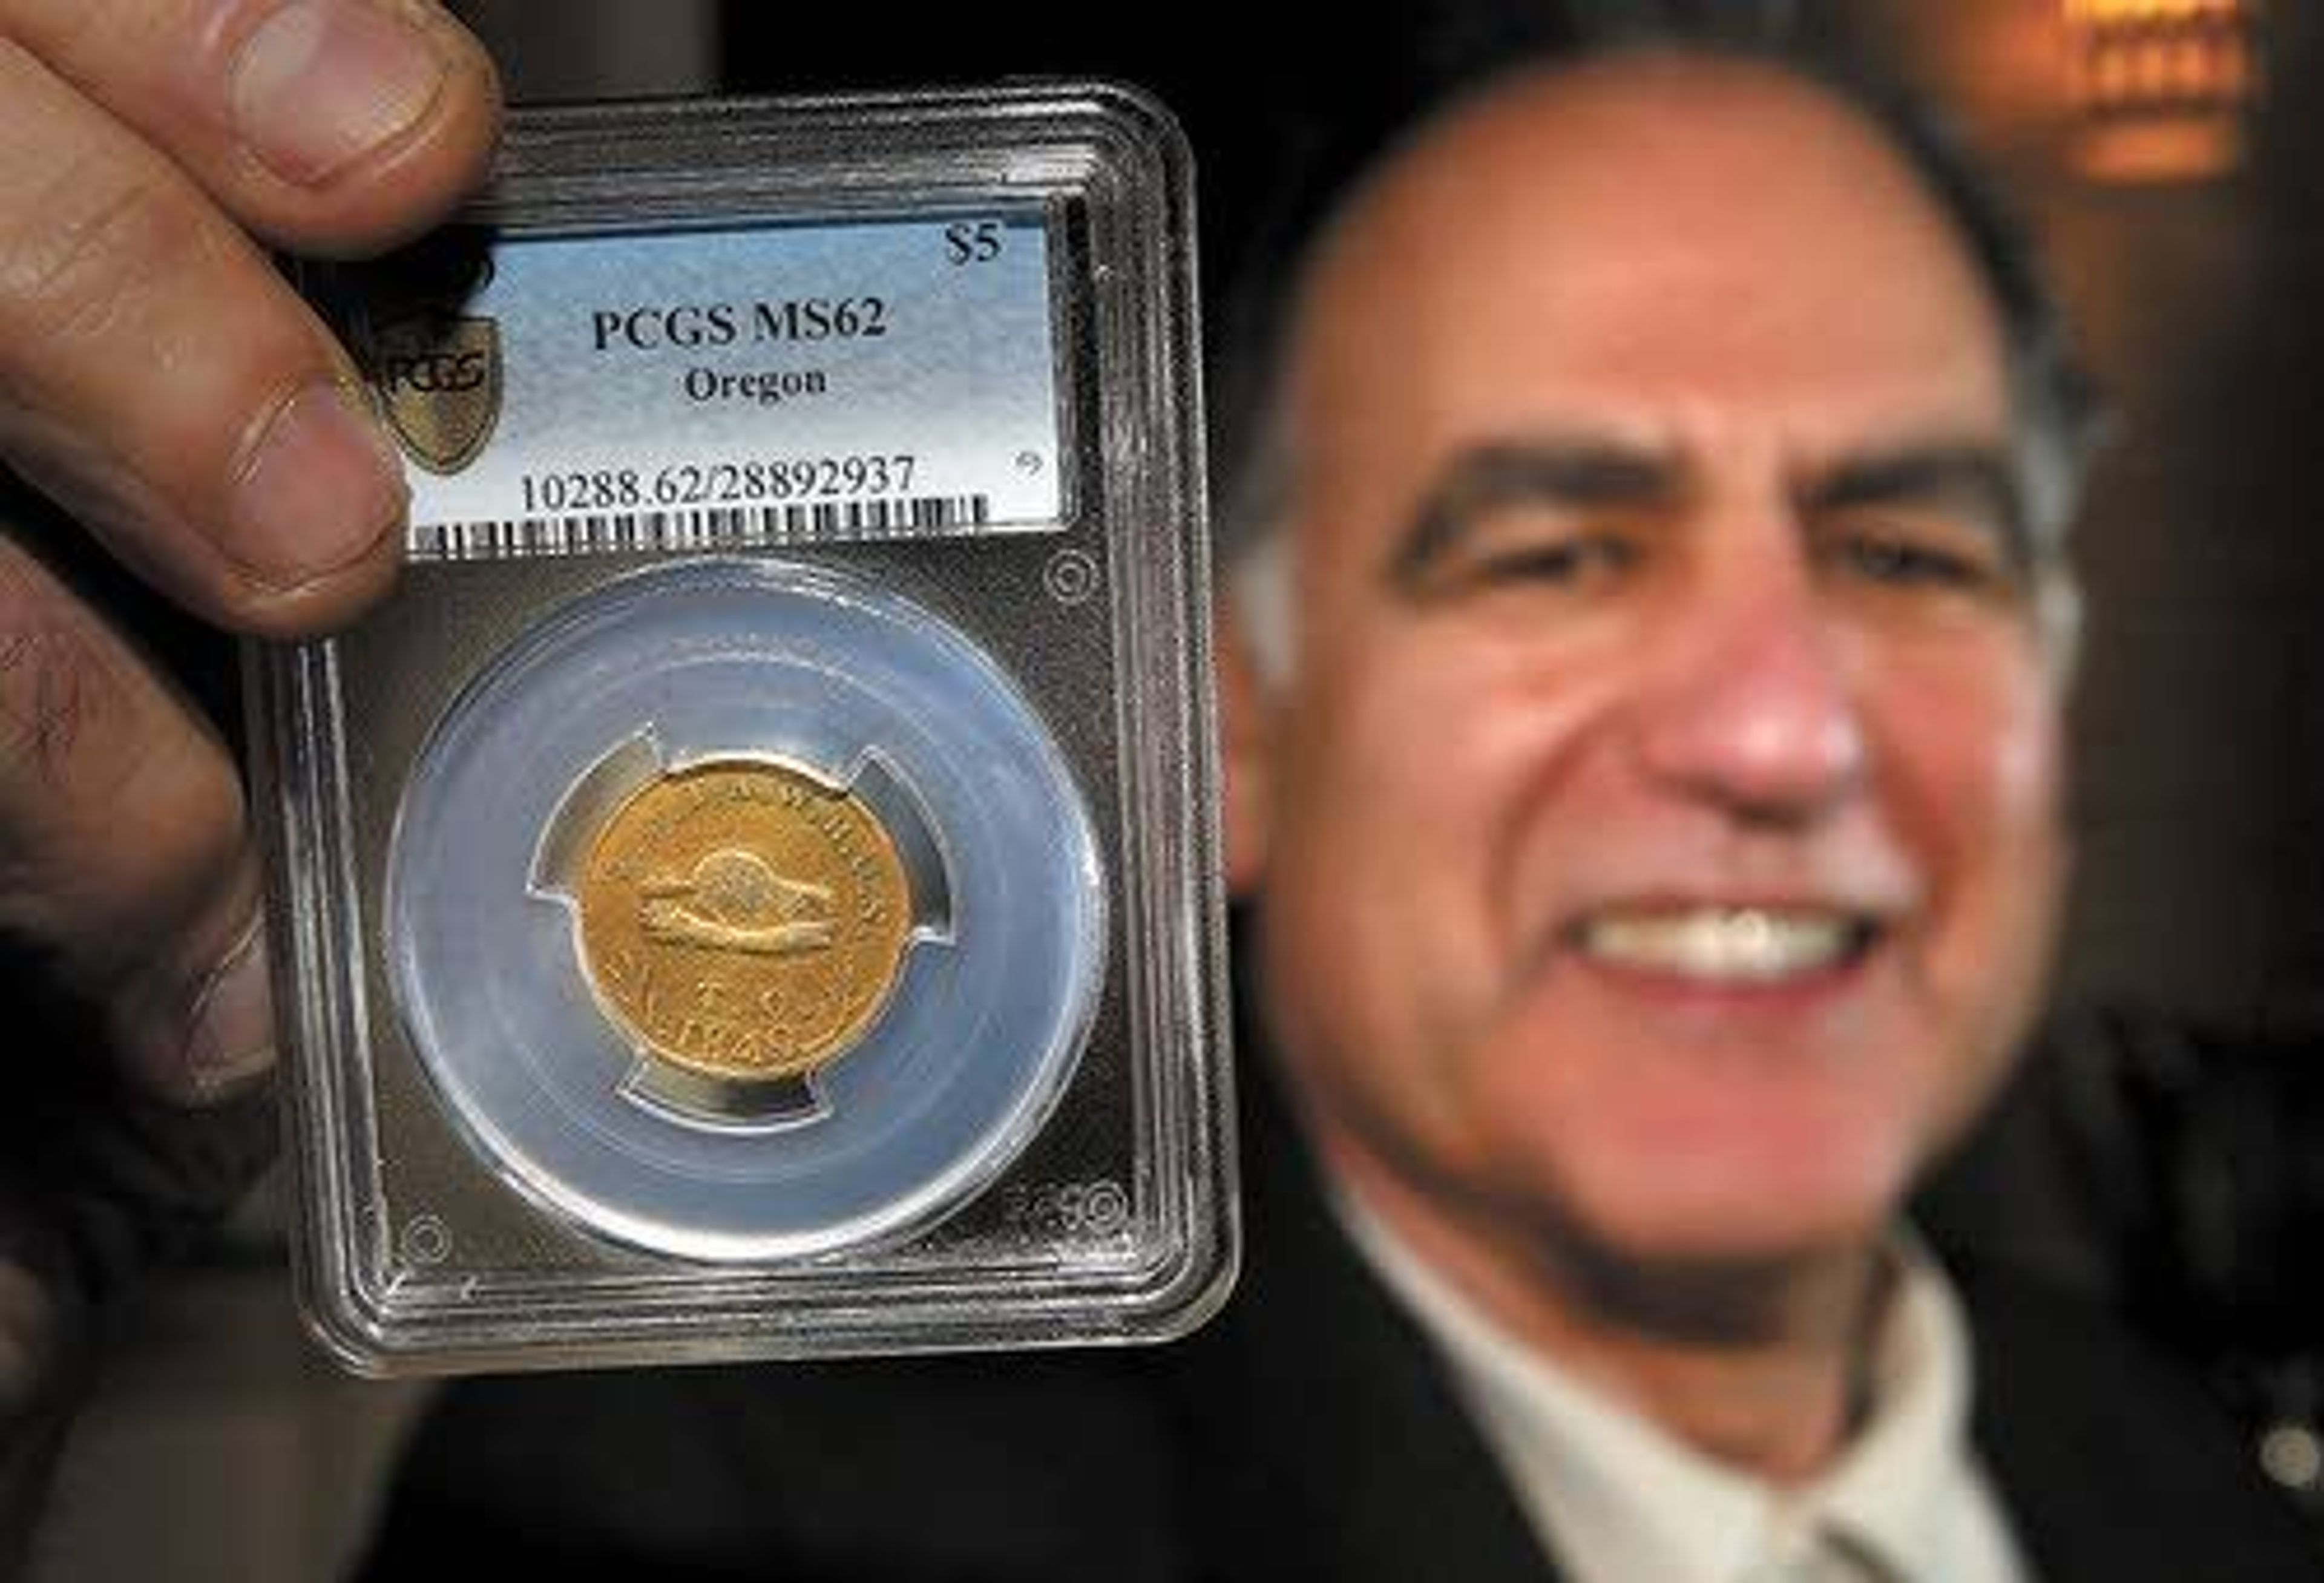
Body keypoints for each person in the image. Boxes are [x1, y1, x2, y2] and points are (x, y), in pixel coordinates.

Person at [0, 7, 2314, 1582]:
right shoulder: (702, 1528)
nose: (1778, 735)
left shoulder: (2185, 1486)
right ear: (1225, 734)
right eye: (1554, 553)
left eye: (1908, 550)